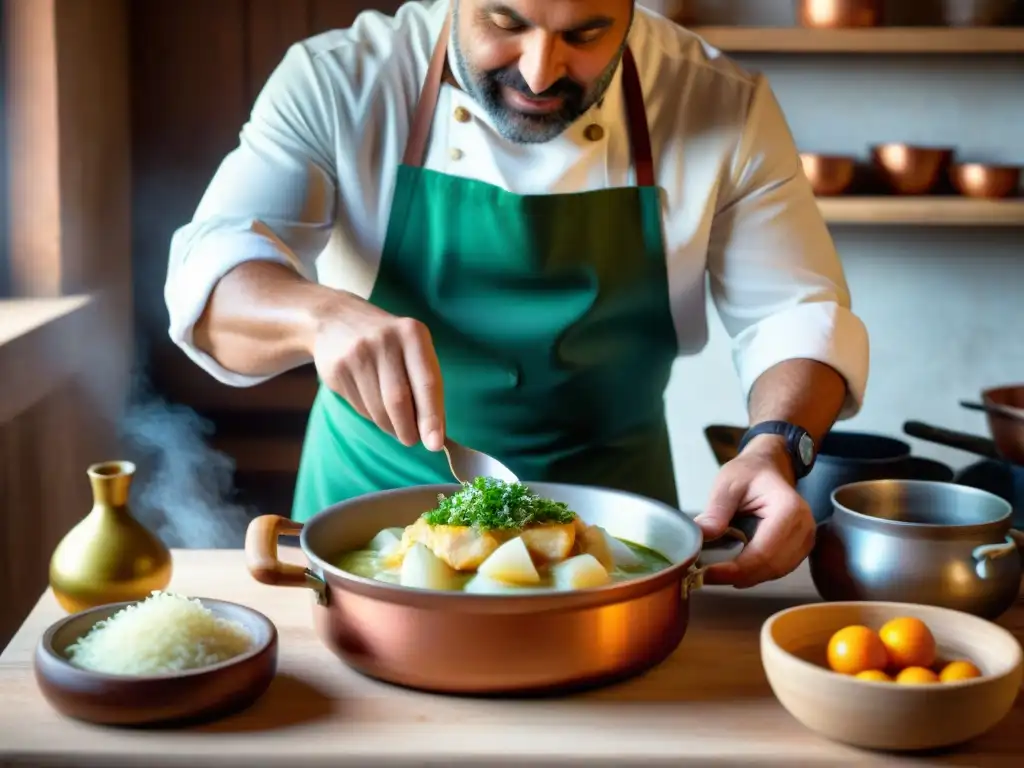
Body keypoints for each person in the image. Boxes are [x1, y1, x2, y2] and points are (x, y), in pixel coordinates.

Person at [164, 0, 869, 588]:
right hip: (369, 526)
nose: (540, 70)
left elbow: (796, 312)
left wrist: (773, 448)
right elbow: (214, 275)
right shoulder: (341, 78)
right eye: (505, 21)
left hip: (611, 542)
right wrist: (320, 317)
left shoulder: (720, 103)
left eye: (586, 33)